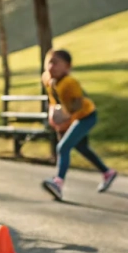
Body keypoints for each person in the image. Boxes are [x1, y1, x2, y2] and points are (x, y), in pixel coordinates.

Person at [41, 49, 117, 200]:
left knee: (63, 147)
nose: (51, 67)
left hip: (86, 116)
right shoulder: (47, 79)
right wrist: (53, 116)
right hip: (73, 117)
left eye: (56, 63)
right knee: (82, 148)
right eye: (49, 62)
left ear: (67, 66)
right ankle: (108, 173)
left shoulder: (70, 83)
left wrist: (65, 121)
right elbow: (53, 101)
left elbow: (77, 106)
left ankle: (58, 182)